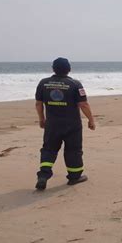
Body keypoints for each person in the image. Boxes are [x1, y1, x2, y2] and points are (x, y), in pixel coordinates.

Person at [34, 57, 95, 190]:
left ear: (53, 68)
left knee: (49, 149)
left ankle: (43, 175)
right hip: (72, 125)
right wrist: (91, 120)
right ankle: (74, 177)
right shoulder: (75, 84)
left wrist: (41, 119)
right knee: (73, 151)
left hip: (52, 124)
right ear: (69, 69)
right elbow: (83, 104)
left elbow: (39, 103)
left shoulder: (43, 83)